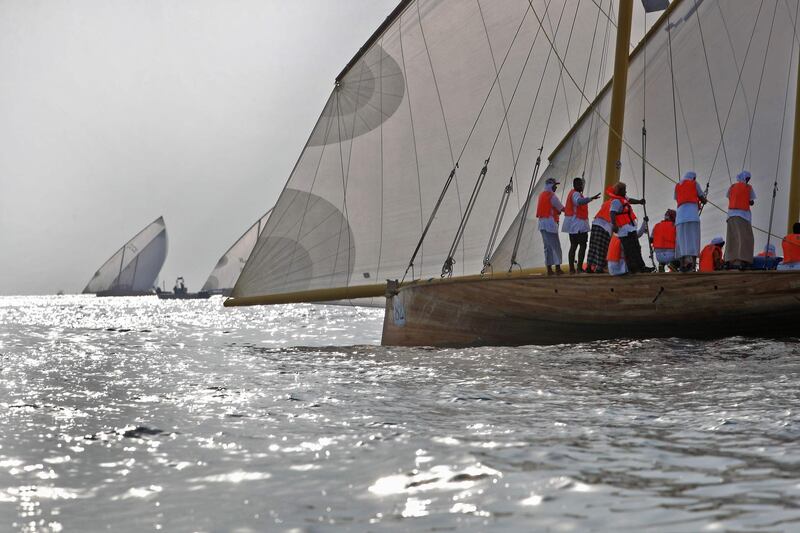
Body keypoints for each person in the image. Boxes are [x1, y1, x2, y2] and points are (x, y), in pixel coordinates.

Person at [609, 181, 652, 273]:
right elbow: (612, 213)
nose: (626, 192)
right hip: (623, 231)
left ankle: (642, 267)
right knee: (629, 250)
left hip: (630, 228)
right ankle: (632, 268)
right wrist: (614, 225)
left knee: (636, 248)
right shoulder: (616, 201)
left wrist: (639, 202)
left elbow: (631, 200)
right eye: (624, 190)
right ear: (619, 191)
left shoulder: (623, 198)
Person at [561, 177, 601, 274]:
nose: (581, 186)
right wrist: (591, 198)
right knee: (582, 245)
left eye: (581, 184)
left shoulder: (572, 193)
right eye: (579, 184)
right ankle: (578, 268)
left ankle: (572, 269)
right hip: (578, 225)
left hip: (573, 226)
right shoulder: (576, 194)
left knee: (574, 246)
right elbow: (579, 202)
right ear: (574, 185)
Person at [674, 171, 707, 271]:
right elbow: (702, 198)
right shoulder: (694, 184)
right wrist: (704, 200)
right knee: (693, 240)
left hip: (680, 218)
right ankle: (692, 265)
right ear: (693, 178)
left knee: (682, 241)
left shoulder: (677, 186)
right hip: (692, 216)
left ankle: (683, 265)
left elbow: (677, 198)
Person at [724, 170, 756, 269]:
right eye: (748, 178)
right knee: (745, 238)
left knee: (732, 239)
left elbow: (729, 197)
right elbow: (751, 201)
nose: (748, 180)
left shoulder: (732, 187)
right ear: (745, 178)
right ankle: (743, 261)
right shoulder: (748, 187)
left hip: (730, 216)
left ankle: (729, 261)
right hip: (743, 216)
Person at [537, 177, 565, 275]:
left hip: (542, 224)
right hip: (550, 224)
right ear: (550, 185)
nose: (556, 188)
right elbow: (561, 208)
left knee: (547, 247)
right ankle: (557, 268)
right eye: (555, 186)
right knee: (556, 246)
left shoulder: (541, 195)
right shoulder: (552, 196)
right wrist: (571, 210)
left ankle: (549, 269)